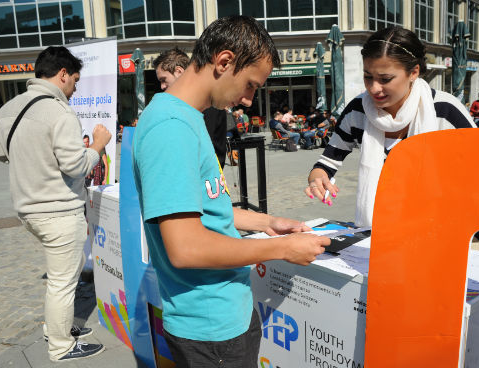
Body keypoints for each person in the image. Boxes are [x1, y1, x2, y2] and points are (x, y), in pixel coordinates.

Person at [132, 16, 330, 367]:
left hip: (221, 316)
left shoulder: (186, 117)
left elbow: (208, 208)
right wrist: (282, 248)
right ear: (224, 62)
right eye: (251, 85)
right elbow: (186, 248)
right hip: (210, 328)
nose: (250, 100)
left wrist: (268, 222)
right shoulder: (171, 127)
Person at [0, 46, 111, 362]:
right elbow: (76, 167)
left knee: (58, 278)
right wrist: (97, 146)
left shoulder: (8, 108)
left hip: (28, 209)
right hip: (58, 210)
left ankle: (55, 329)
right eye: (74, 81)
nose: (74, 88)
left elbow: (0, 154)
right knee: (62, 282)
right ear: (62, 75)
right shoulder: (59, 111)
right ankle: (60, 346)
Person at [305, 26, 475, 226]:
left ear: (413, 72)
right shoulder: (357, 110)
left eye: (385, 79)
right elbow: (326, 163)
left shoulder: (446, 111)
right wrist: (317, 179)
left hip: (441, 225)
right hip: (379, 227)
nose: (374, 88)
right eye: (368, 76)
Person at [154, 47, 229, 168]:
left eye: (163, 80)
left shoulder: (204, 102)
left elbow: (200, 150)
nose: (162, 86)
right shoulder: (188, 103)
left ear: (179, 71)